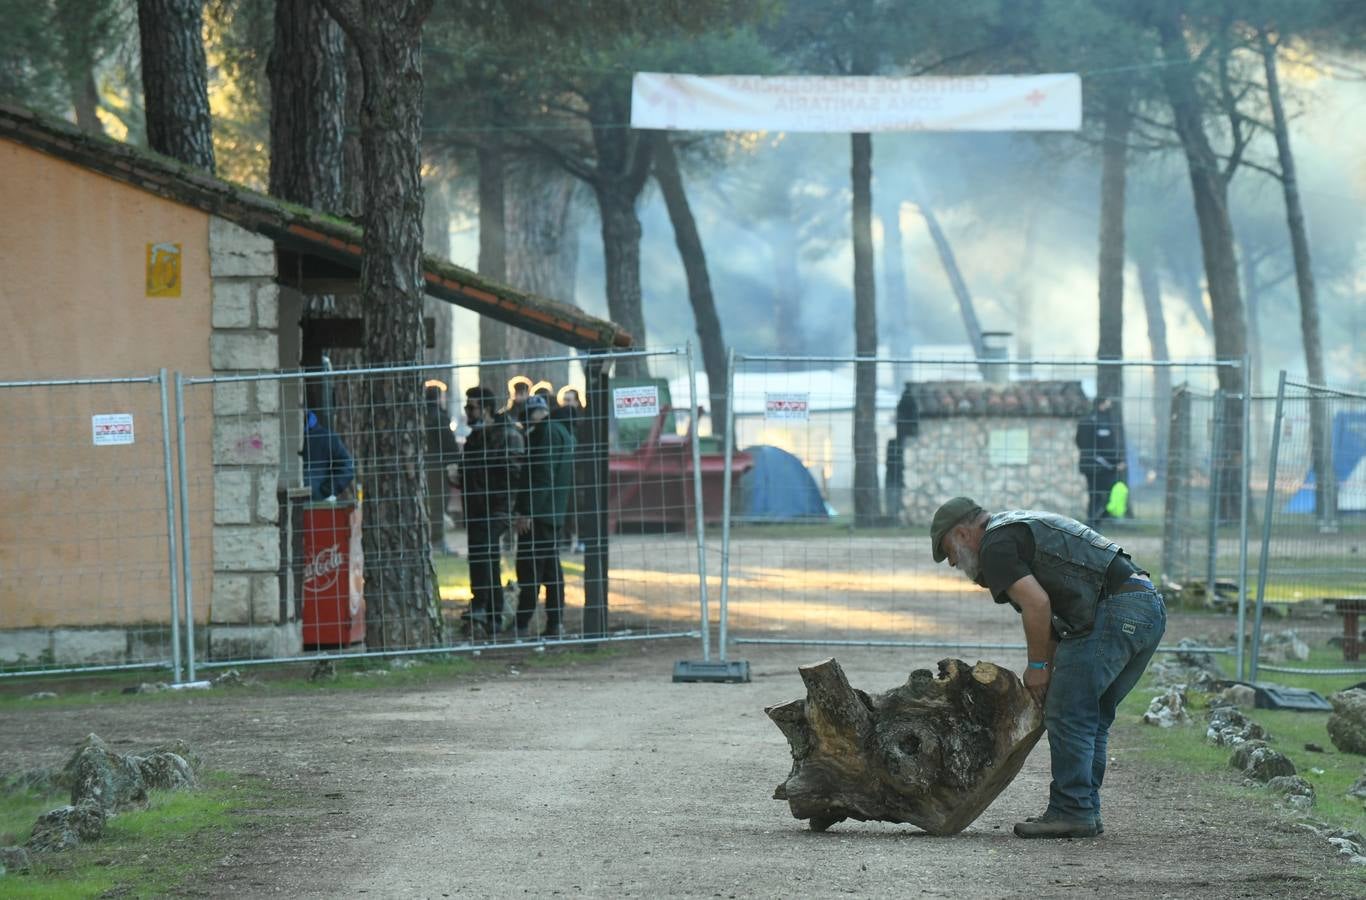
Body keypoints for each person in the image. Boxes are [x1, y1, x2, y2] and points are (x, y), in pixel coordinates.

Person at [929, 496, 1166, 839]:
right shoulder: (1012, 530)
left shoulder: (996, 545)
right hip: (1144, 607)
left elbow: (1037, 605)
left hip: (1114, 611)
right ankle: (1084, 810)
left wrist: (1038, 667)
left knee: (1070, 713)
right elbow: (1050, 619)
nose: (951, 562)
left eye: (948, 549)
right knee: (1090, 717)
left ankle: (1072, 810)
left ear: (964, 533)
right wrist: (1046, 676)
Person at [456, 386, 524, 638]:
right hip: (477, 505)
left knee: (485, 556)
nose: (467, 412)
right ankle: (485, 608)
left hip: (497, 506)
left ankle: (488, 608)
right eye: (466, 407)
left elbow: (514, 475)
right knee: (480, 557)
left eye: (471, 407)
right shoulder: (476, 436)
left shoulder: (507, 435)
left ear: (485, 409)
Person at [514, 393, 575, 639]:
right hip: (554, 514)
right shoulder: (564, 432)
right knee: (552, 573)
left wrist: (526, 511)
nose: (527, 425)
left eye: (527, 419)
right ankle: (555, 623)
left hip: (538, 515)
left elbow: (541, 475)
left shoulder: (546, 432)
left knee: (530, 571)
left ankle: (521, 623)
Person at [1075, 397, 1126, 528]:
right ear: (1102, 405)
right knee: (1108, 495)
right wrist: (1116, 462)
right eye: (1108, 404)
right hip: (1102, 466)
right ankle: (1095, 522)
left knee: (1094, 495)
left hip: (1088, 465)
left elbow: (1078, 441)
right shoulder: (1102, 422)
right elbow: (1107, 446)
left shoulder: (1085, 420)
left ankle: (1092, 523)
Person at [424, 384, 462, 555]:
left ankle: (431, 540)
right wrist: (455, 462)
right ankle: (438, 541)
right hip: (437, 467)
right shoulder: (440, 418)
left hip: (424, 466)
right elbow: (448, 444)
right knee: (438, 504)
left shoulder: (422, 416)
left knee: (429, 505)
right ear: (439, 398)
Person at [552, 387, 589, 554]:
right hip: (564, 472)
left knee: (581, 508)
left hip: (581, 473)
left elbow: (586, 446)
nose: (567, 402)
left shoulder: (584, 421)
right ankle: (565, 540)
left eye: (570, 399)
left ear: (577, 400)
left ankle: (582, 540)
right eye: (564, 399)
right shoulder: (558, 421)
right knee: (564, 507)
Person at [302, 410, 355, 501]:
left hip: (318, 503)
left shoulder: (327, 437)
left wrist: (328, 489)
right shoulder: (281, 434)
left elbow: (347, 467)